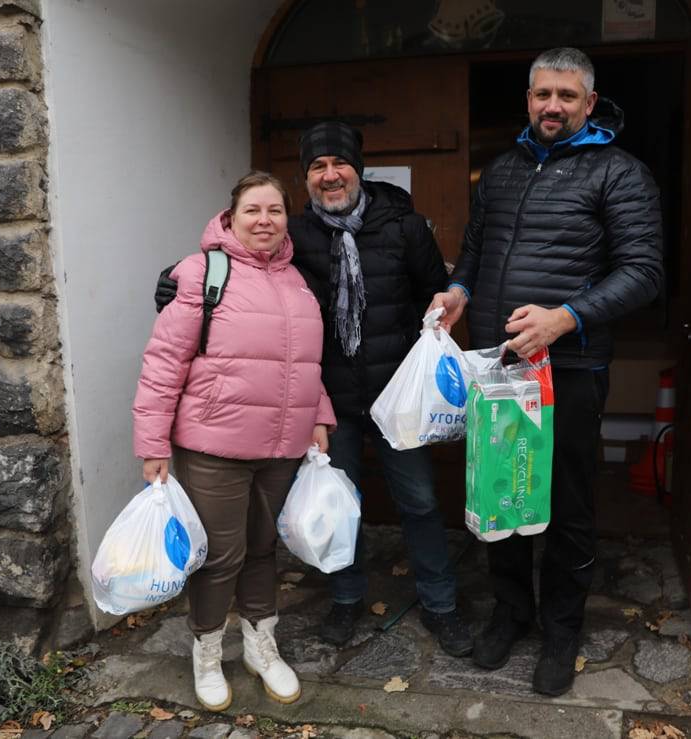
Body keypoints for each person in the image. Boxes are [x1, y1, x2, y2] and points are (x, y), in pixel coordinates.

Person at [156, 122, 473, 657]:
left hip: (398, 399)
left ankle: (441, 605)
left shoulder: (405, 227)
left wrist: (446, 305)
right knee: (337, 505)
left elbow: (433, 295)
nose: (330, 175)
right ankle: (346, 600)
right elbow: (237, 261)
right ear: (306, 178)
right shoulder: (294, 235)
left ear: (359, 167)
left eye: (339, 163)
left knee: (419, 502)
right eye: (317, 167)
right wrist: (172, 279)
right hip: (330, 403)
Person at [430, 48, 664, 696]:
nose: (551, 106)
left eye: (565, 95)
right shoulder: (501, 171)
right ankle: (512, 613)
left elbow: (643, 271)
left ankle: (561, 632)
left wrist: (566, 317)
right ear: (528, 99)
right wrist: (458, 291)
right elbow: (476, 248)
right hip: (501, 367)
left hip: (570, 369)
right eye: (541, 95)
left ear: (589, 103)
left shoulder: (619, 172)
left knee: (565, 509)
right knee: (501, 496)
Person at [133, 171, 336, 712]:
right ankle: (206, 653)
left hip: (282, 445)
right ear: (231, 216)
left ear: (286, 218)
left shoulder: (297, 280)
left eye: (274, 210)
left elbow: (306, 363)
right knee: (221, 557)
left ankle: (260, 646)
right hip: (214, 446)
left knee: (264, 551)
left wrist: (320, 413)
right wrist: (152, 444)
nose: (264, 220)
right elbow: (163, 364)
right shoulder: (202, 272)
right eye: (253, 210)